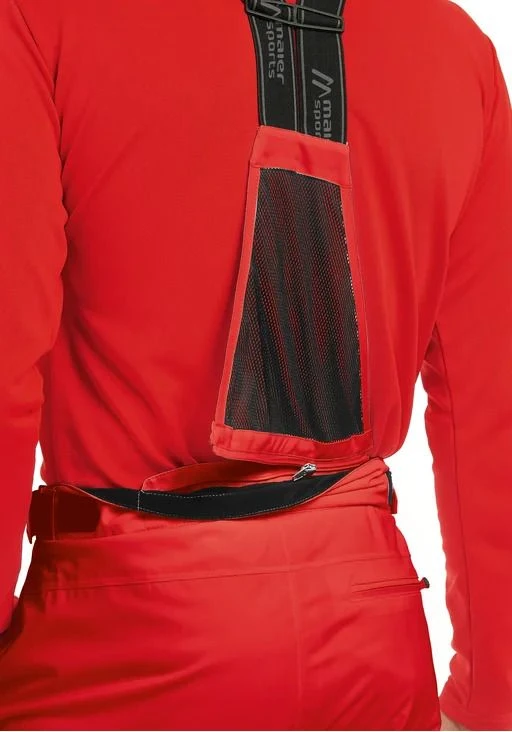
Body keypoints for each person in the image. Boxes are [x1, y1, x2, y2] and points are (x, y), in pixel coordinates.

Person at [0, 0, 511, 729]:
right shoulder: (456, 50)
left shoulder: (40, 21)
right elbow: (493, 412)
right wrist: (493, 695)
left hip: (124, 631)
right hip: (370, 634)